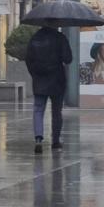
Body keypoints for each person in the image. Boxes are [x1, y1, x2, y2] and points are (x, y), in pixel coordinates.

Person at [25, 26, 73, 154]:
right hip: (57, 80)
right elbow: (68, 58)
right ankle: (55, 141)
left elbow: (28, 60)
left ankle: (38, 139)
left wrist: (34, 74)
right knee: (56, 111)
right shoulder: (60, 38)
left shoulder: (34, 39)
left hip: (39, 81)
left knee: (38, 109)